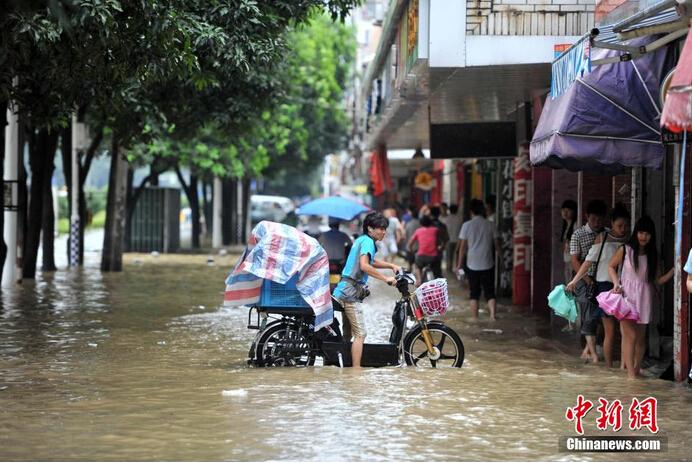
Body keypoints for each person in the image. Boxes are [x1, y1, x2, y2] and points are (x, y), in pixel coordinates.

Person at [333, 212, 401, 368]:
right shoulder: (368, 242)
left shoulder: (363, 240)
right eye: (380, 229)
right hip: (350, 293)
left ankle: (342, 364)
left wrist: (391, 266)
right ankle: (356, 372)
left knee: (348, 334)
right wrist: (386, 279)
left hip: (344, 289)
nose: (383, 232)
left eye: (385, 229)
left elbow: (370, 261)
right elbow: (365, 265)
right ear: (370, 228)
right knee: (360, 334)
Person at [608, 216, 673, 379]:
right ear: (636, 233)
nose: (643, 237)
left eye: (647, 234)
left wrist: (674, 271)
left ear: (652, 236)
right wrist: (616, 283)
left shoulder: (653, 256)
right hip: (627, 297)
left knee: (640, 338)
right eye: (641, 233)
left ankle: (635, 369)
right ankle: (631, 376)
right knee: (629, 336)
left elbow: (657, 280)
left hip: (644, 298)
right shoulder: (625, 249)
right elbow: (610, 266)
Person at [567, 203, 630, 367]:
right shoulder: (602, 238)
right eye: (619, 225)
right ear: (612, 223)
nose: (623, 229)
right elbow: (586, 263)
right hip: (605, 288)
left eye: (625, 226)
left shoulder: (630, 242)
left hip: (626, 289)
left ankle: (624, 368)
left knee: (624, 332)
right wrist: (574, 281)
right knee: (610, 331)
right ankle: (608, 368)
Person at [565, 199, 607, 364]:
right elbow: (575, 262)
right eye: (593, 219)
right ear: (587, 216)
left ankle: (590, 349)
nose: (597, 223)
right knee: (588, 311)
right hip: (584, 279)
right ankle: (590, 349)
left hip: (603, 278)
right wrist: (588, 280)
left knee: (603, 314)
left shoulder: (607, 233)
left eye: (600, 219)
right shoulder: (578, 234)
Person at [456, 199, 500, 320]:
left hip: (472, 264)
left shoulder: (466, 225)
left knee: (474, 293)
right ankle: (492, 316)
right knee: (490, 292)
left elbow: (462, 248)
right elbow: (497, 246)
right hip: (488, 262)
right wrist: (501, 259)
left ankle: (475, 318)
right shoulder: (490, 224)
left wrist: (459, 265)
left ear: (471, 211)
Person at [407, 215, 439, 285]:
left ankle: (419, 280)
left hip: (421, 256)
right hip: (434, 257)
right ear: (430, 223)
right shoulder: (435, 230)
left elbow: (410, 244)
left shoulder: (418, 231)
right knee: (437, 270)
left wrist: (410, 250)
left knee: (417, 266)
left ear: (421, 224)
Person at [441, 204, 463, 274]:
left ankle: (449, 272)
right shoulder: (460, 219)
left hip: (449, 241)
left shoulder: (446, 219)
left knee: (449, 258)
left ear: (449, 210)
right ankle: (457, 271)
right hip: (458, 241)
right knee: (457, 257)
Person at [560, 200, 578, 283]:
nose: (565, 212)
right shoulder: (566, 226)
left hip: (574, 260)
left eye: (568, 210)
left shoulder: (576, 225)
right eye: (563, 210)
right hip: (567, 260)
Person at [429, 206, 449, 278]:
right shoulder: (442, 225)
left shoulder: (427, 225)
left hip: (427, 251)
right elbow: (446, 239)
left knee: (428, 270)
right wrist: (442, 247)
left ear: (430, 214)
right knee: (437, 271)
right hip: (438, 251)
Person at [403, 207, 421, 272]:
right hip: (419, 247)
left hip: (410, 247)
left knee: (410, 264)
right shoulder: (421, 224)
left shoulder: (408, 224)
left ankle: (410, 277)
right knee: (418, 266)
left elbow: (405, 235)